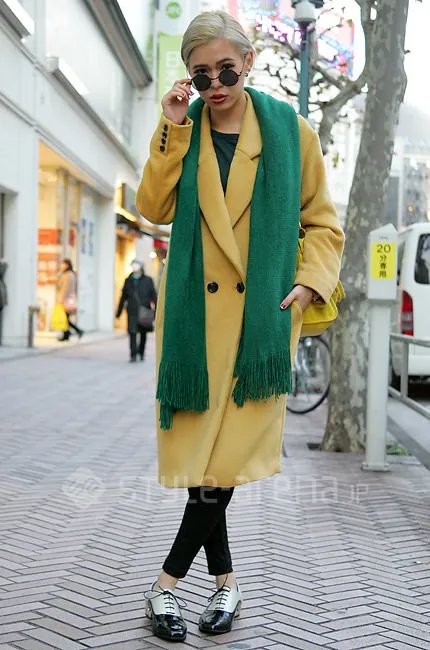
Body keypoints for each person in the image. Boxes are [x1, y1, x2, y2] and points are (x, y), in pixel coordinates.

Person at [135, 10, 345, 643]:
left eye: (226, 70)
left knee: (218, 466)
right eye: (201, 75)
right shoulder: (185, 128)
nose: (216, 85)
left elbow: (323, 222)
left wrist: (309, 280)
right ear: (189, 78)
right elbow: (153, 207)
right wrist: (173, 126)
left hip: (260, 328)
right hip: (197, 328)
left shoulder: (290, 132)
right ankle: (225, 584)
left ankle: (166, 585)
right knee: (211, 465)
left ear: (249, 62)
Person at [116, 260, 157, 362]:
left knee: (143, 333)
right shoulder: (128, 280)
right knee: (132, 332)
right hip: (132, 311)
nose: (135, 267)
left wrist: (156, 311)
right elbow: (123, 297)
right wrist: (119, 312)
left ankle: (141, 353)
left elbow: (153, 295)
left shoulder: (148, 280)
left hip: (144, 310)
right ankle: (133, 354)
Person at [57, 259, 83, 341]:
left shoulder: (68, 275)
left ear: (67, 265)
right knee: (65, 318)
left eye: (63, 264)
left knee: (65, 318)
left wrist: (61, 299)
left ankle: (77, 331)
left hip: (66, 299)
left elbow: (66, 289)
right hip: (68, 299)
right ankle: (67, 334)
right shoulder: (70, 274)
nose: (62, 266)